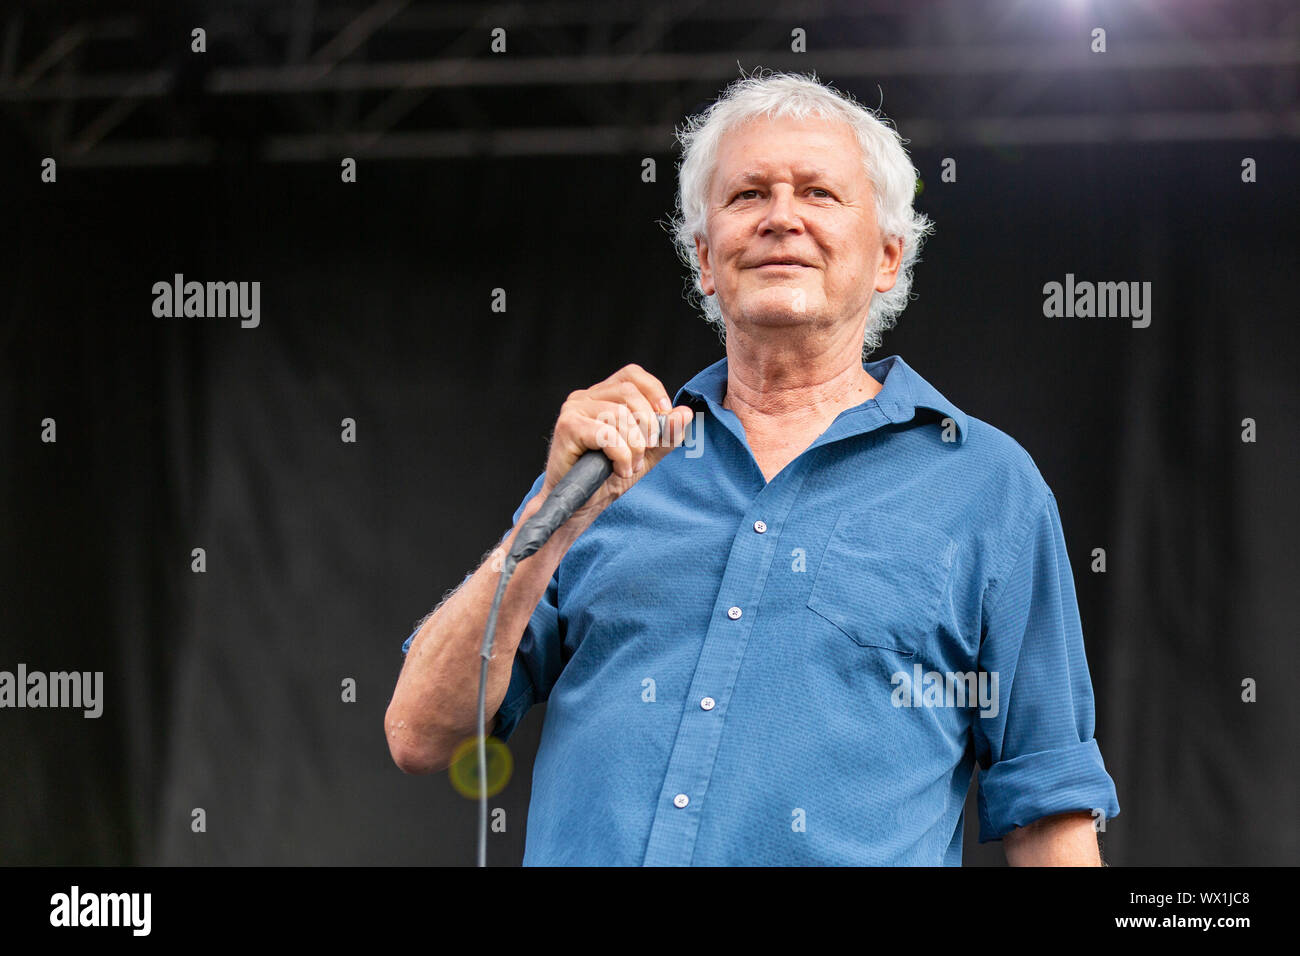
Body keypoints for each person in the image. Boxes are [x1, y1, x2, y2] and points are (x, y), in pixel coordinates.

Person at [385, 69, 1120, 865]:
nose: (780, 218)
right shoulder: (617, 461)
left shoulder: (986, 486)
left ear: (886, 256)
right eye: (747, 196)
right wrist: (545, 528)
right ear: (704, 259)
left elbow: (1049, 812)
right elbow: (421, 733)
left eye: (818, 194)